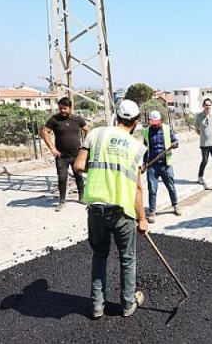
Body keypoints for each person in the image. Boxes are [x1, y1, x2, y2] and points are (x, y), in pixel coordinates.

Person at [73, 99, 148, 319]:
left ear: (116, 117)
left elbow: (78, 166)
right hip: (122, 210)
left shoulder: (95, 134)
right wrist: (142, 219)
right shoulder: (136, 147)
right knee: (127, 258)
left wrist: (98, 169)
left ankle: (97, 307)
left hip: (96, 208)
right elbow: (137, 188)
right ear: (135, 122)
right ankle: (127, 305)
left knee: (99, 255)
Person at [41, 97, 90, 211]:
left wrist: (84, 146)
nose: (62, 110)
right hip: (61, 156)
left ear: (71, 108)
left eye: (65, 108)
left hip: (76, 154)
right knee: (62, 178)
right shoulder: (54, 119)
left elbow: (87, 130)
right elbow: (44, 132)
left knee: (78, 176)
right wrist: (52, 148)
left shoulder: (78, 119)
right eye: (60, 108)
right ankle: (62, 200)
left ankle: (81, 197)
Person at [142, 110, 180, 223]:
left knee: (171, 186)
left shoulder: (167, 129)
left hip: (165, 164)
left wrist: (175, 144)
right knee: (152, 189)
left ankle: (175, 205)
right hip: (152, 165)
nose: (155, 125)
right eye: (153, 123)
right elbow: (144, 150)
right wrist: (144, 164)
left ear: (160, 121)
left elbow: (176, 141)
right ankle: (152, 211)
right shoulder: (146, 132)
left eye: (157, 123)